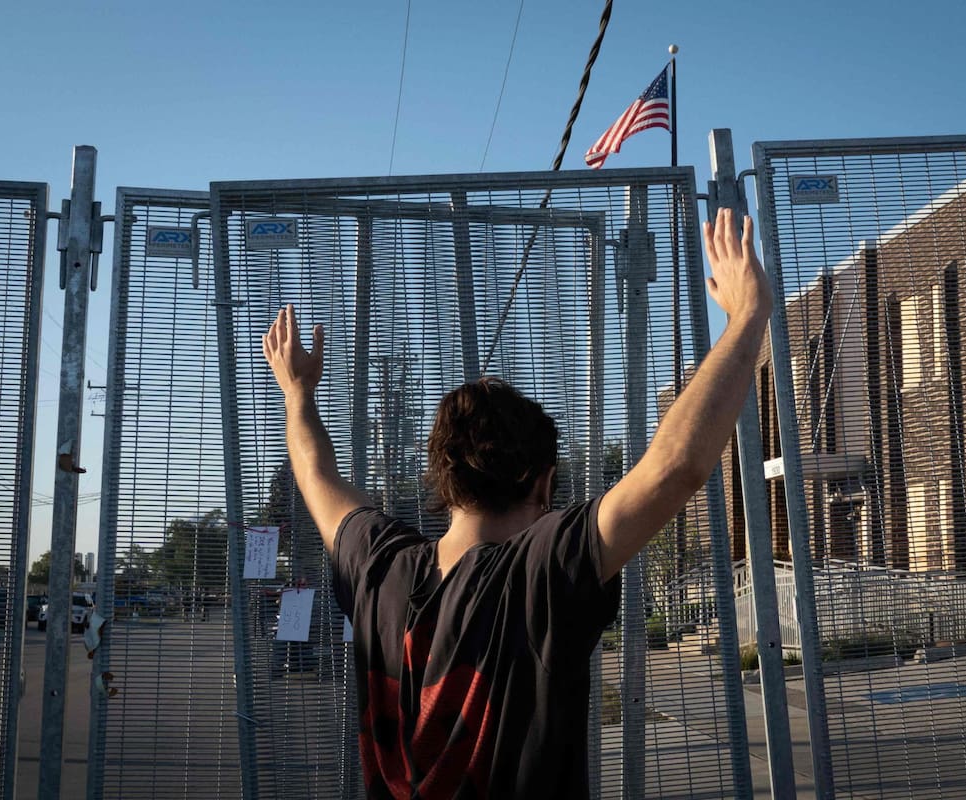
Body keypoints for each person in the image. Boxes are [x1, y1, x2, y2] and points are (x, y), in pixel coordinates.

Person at [261, 207, 772, 799]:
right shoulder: (540, 571)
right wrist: (747, 317)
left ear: (443, 481)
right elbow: (675, 468)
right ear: (543, 483)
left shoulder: (379, 567)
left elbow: (316, 474)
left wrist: (298, 393)